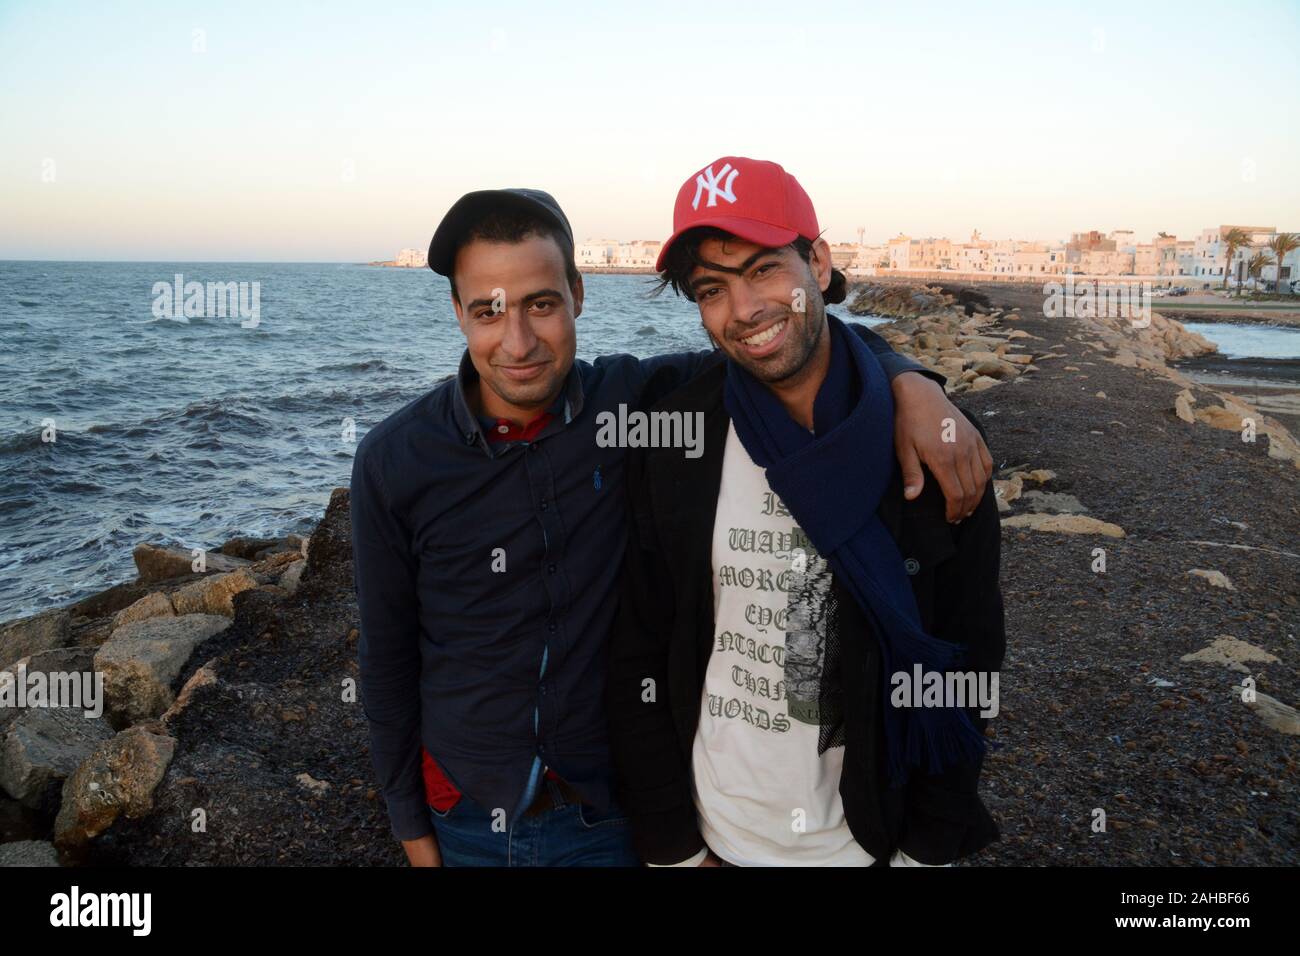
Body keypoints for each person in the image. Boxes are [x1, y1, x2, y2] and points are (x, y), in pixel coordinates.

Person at [352, 184, 994, 866]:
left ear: (577, 293)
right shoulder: (396, 461)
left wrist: (907, 378)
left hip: (610, 813)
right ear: (458, 311)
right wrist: (412, 831)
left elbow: (788, 344)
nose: (517, 342)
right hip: (470, 816)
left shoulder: (638, 406)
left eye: (541, 304)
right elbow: (387, 658)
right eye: (488, 311)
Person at [606, 156, 1006, 867]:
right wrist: (672, 846)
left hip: (868, 838)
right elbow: (643, 640)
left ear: (818, 263)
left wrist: (928, 851)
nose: (745, 309)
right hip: (718, 831)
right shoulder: (679, 435)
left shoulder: (932, 447)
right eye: (712, 289)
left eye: (764, 269)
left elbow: (968, 652)